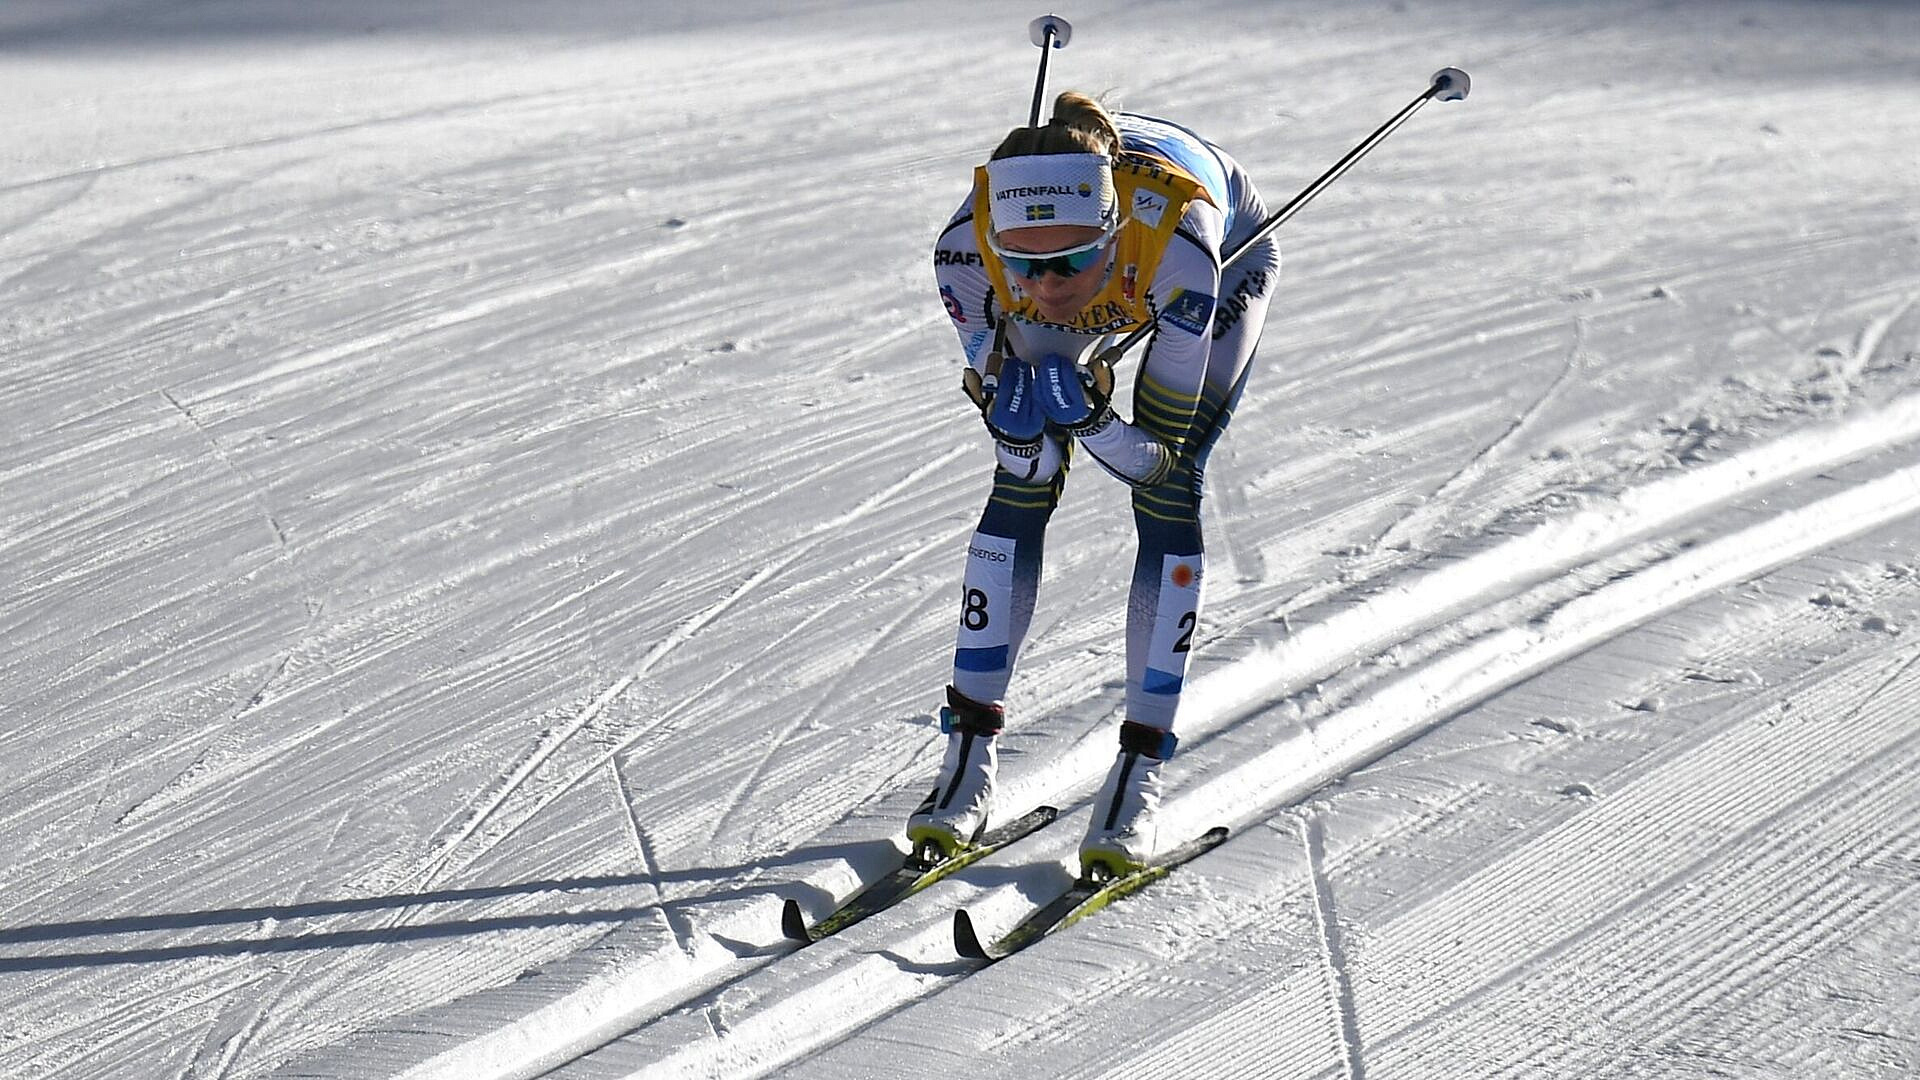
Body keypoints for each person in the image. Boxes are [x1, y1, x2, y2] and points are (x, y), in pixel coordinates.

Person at [910, 91, 1280, 878]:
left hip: (1229, 249)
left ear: (1110, 231)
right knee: (1019, 484)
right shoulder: (966, 258)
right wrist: (1020, 430)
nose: (1048, 286)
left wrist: (1092, 421)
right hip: (1112, 266)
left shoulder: (1179, 250)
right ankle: (966, 761)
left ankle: (1139, 773)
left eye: (1072, 260)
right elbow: (1027, 464)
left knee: (1170, 500)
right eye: (1028, 264)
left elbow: (1157, 460)